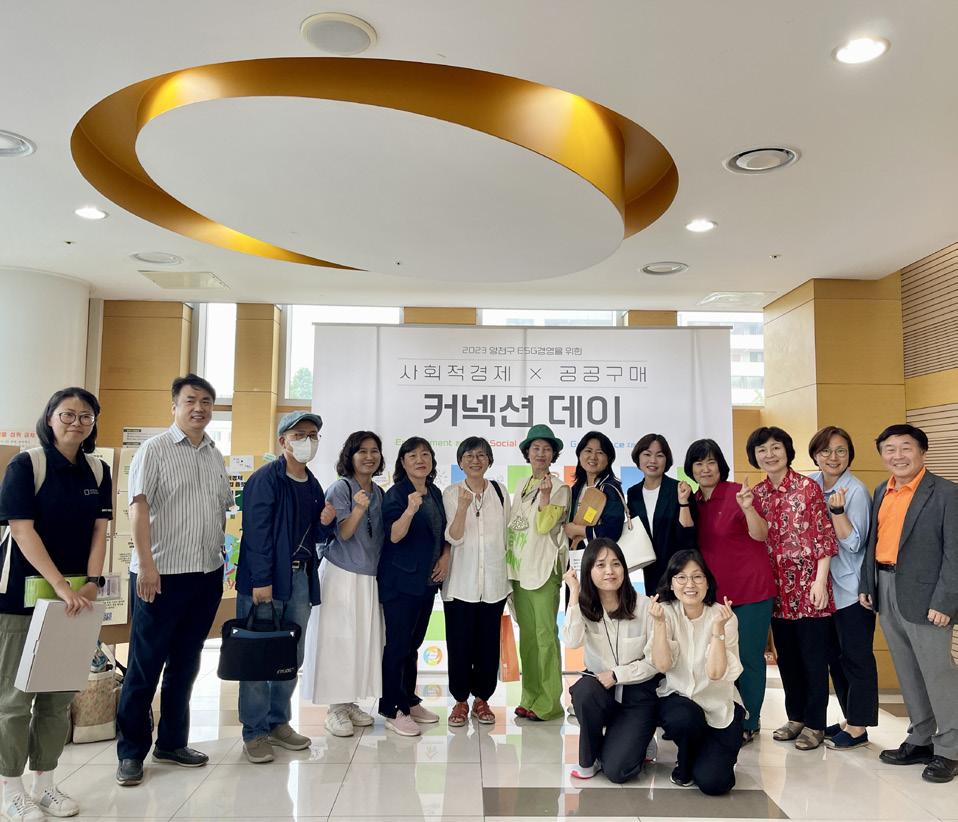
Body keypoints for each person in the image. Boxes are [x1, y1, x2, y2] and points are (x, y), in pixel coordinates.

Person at [115, 374, 233, 786]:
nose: (199, 408)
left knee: (186, 663)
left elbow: (220, 512)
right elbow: (138, 509)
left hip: (205, 575)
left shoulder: (214, 454)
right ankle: (131, 752)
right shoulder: (155, 449)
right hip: (161, 576)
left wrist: (220, 561)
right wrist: (146, 566)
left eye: (206, 401)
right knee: (144, 666)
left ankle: (171, 742)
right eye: (190, 400)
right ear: (174, 406)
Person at [0, 388, 111, 821]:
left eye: (86, 416)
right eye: (67, 414)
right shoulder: (26, 465)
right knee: (14, 699)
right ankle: (10, 788)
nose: (76, 422)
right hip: (21, 600)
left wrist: (93, 582)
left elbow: (100, 531)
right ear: (50, 418)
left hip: (74, 601)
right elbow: (22, 530)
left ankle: (45, 784)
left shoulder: (97, 470)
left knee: (57, 698)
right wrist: (60, 584)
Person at [234, 411, 336, 763]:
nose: (307, 441)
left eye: (313, 435)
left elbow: (316, 536)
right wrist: (261, 580)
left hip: (301, 578)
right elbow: (257, 533)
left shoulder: (312, 484)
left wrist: (326, 522)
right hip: (266, 581)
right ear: (283, 441)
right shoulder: (266, 479)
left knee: (290, 655)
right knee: (258, 656)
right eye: (299, 434)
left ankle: (279, 722)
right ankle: (254, 731)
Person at [860, 424, 958, 784]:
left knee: (938, 674)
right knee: (908, 671)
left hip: (928, 596)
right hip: (886, 588)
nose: (897, 456)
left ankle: (950, 749)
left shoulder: (946, 493)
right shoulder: (881, 490)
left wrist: (945, 601)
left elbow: (955, 553)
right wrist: (867, 583)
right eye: (889, 449)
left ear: (922, 452)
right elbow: (875, 541)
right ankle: (921, 739)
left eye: (905, 448)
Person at [747, 426, 838, 751]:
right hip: (775, 590)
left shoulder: (807, 487)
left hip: (809, 587)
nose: (769, 455)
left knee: (813, 659)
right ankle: (796, 717)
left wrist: (820, 581)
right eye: (762, 450)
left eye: (775, 447)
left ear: (787, 450)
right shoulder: (756, 494)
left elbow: (824, 536)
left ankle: (815, 724)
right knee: (787, 658)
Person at [684, 438, 774, 746]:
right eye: (698, 463)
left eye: (711, 462)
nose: (705, 469)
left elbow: (761, 534)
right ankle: (722, 716)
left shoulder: (738, 493)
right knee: (717, 657)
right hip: (714, 595)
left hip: (750, 591)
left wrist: (748, 509)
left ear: (720, 465)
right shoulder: (693, 501)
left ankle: (750, 720)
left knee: (748, 657)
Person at [303, 431, 386, 738]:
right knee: (338, 640)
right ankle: (335, 708)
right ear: (349, 456)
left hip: (368, 576)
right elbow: (344, 533)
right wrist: (359, 509)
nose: (369, 456)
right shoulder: (341, 488)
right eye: (362, 451)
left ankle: (349, 701)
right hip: (341, 573)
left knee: (359, 640)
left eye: (374, 451)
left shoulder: (379, 491)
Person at [562, 538, 659, 784]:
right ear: (588, 570)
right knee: (584, 692)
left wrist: (617, 675)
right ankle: (591, 758)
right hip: (601, 690)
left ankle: (639, 738)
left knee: (617, 771)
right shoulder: (585, 607)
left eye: (616, 564)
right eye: (601, 565)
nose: (609, 571)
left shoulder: (644, 606)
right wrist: (574, 594)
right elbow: (572, 641)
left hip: (637, 694)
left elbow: (655, 662)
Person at [647, 549, 744, 795]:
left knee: (715, 784)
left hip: (719, 707)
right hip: (680, 702)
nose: (689, 584)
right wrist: (659, 625)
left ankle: (705, 755)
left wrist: (717, 630)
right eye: (681, 577)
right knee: (685, 717)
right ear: (671, 583)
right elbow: (662, 665)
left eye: (697, 577)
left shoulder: (724, 617)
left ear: (707, 582)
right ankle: (686, 761)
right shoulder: (665, 612)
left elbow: (716, 673)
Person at [807, 426, 877, 750]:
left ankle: (859, 727)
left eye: (840, 451)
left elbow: (854, 543)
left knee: (856, 657)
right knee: (835, 658)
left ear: (850, 455)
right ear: (815, 455)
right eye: (825, 451)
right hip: (823, 589)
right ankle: (850, 718)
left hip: (851, 589)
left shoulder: (856, 491)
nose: (833, 457)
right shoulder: (811, 483)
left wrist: (837, 512)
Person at [378, 437, 450, 736]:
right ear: (403, 462)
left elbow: (443, 533)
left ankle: (408, 699)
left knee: (413, 646)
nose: (420, 460)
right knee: (397, 646)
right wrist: (409, 510)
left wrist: (445, 556)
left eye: (425, 455)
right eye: (412, 456)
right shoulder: (396, 494)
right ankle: (392, 708)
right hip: (400, 583)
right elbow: (394, 536)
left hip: (426, 583)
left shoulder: (434, 492)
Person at [441, 436, 510, 727]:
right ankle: (460, 701)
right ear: (460, 462)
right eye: (468, 456)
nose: (475, 460)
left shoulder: (500, 492)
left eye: (481, 455)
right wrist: (462, 507)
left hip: (494, 582)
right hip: (460, 583)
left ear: (489, 461)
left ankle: (482, 699)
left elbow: (508, 537)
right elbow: (453, 537)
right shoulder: (450, 493)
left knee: (487, 646)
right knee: (459, 645)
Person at [505, 424, 571, 722]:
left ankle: (549, 703)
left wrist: (545, 497)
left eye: (546, 449)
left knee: (545, 637)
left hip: (544, 570)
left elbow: (545, 526)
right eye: (535, 448)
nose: (541, 453)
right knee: (529, 639)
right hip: (520, 570)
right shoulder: (522, 484)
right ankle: (529, 697)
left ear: (553, 455)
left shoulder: (559, 488)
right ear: (527, 453)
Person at [626, 433, 695, 595]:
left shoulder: (679, 489)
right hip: (650, 571)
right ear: (638, 458)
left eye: (659, 455)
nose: (653, 460)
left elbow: (689, 536)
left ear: (667, 460)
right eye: (647, 454)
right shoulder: (633, 493)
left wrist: (683, 502)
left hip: (680, 570)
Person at [563, 431, 624, 548]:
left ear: (608, 459)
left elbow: (613, 531)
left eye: (600, 452)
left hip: (599, 554)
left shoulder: (610, 488)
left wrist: (578, 530)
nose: (593, 457)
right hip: (576, 554)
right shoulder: (577, 488)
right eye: (588, 451)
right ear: (579, 455)